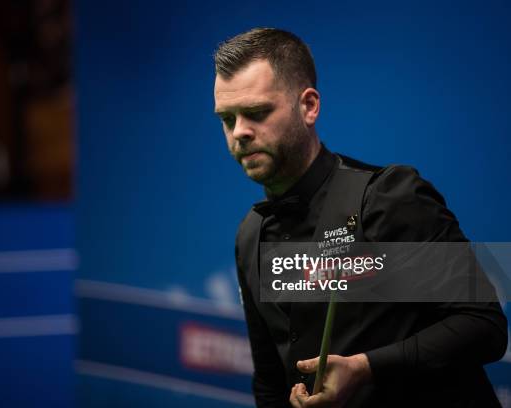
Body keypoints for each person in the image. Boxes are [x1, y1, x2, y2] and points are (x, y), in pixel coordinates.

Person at [213, 27, 508, 407]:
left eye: (256, 113)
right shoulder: (251, 235)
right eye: (227, 119)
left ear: (309, 106)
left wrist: (368, 367)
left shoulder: (389, 196)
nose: (240, 133)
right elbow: (270, 382)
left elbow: (483, 327)